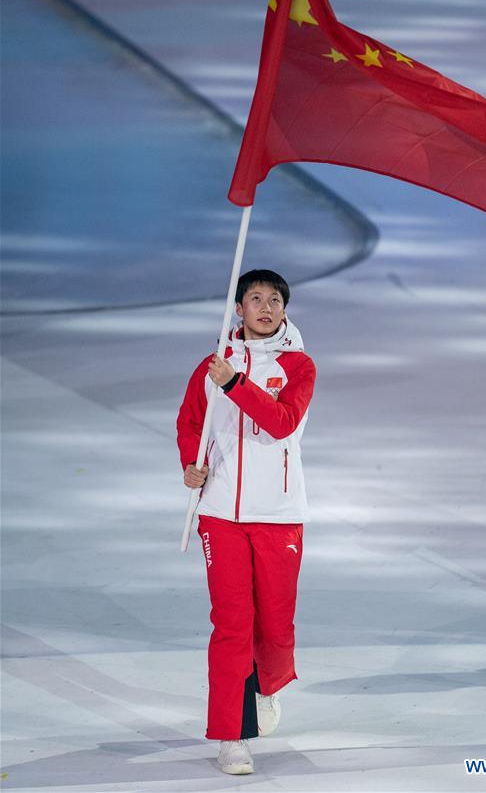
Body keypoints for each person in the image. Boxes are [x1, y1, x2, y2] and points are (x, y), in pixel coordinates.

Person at [176, 269, 316, 776]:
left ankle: (267, 683)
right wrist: (191, 466)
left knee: (274, 626)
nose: (265, 307)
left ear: (284, 310)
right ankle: (231, 735)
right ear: (238, 309)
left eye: (274, 300)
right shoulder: (213, 364)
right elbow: (191, 423)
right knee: (231, 623)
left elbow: (281, 424)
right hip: (220, 515)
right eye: (255, 298)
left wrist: (234, 383)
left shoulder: (298, 366)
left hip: (279, 514)